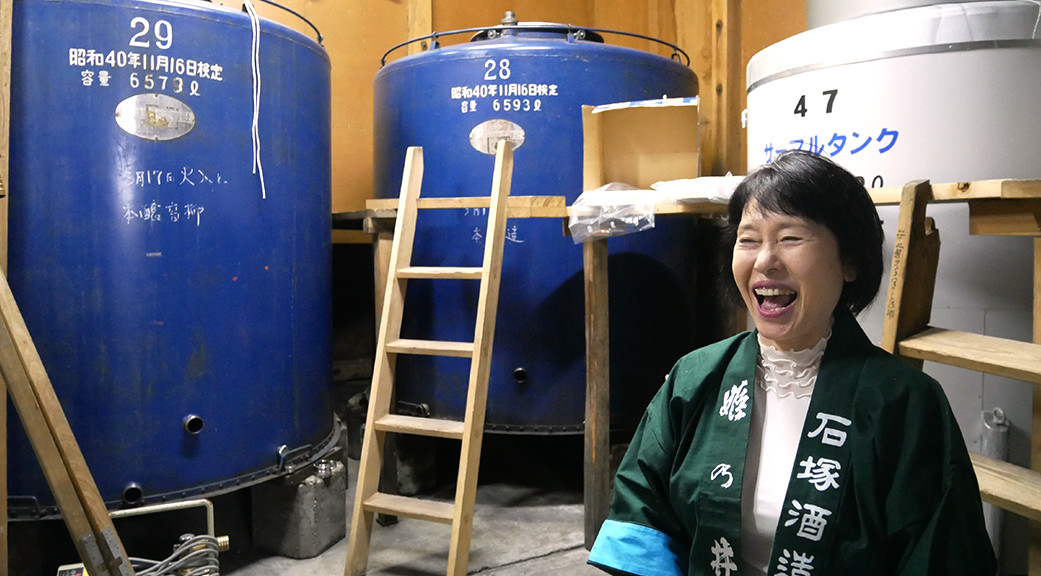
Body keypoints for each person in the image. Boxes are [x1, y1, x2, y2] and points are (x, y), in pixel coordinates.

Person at [587, 150, 996, 576]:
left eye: (790, 238)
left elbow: (941, 554)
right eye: (749, 240)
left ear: (850, 261)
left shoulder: (905, 402)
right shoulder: (694, 378)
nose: (765, 261)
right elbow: (641, 513)